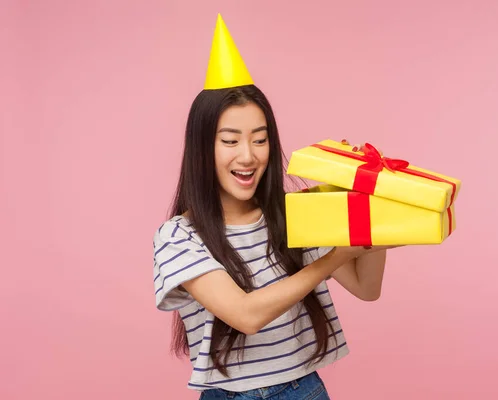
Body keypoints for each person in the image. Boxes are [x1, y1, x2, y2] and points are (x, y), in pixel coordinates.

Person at [152, 14, 396, 399]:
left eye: (260, 140)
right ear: (202, 148)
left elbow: (368, 288)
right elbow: (246, 315)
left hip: (304, 390)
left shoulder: (293, 214)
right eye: (230, 141)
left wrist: (363, 206)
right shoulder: (179, 237)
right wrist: (334, 258)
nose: (248, 156)